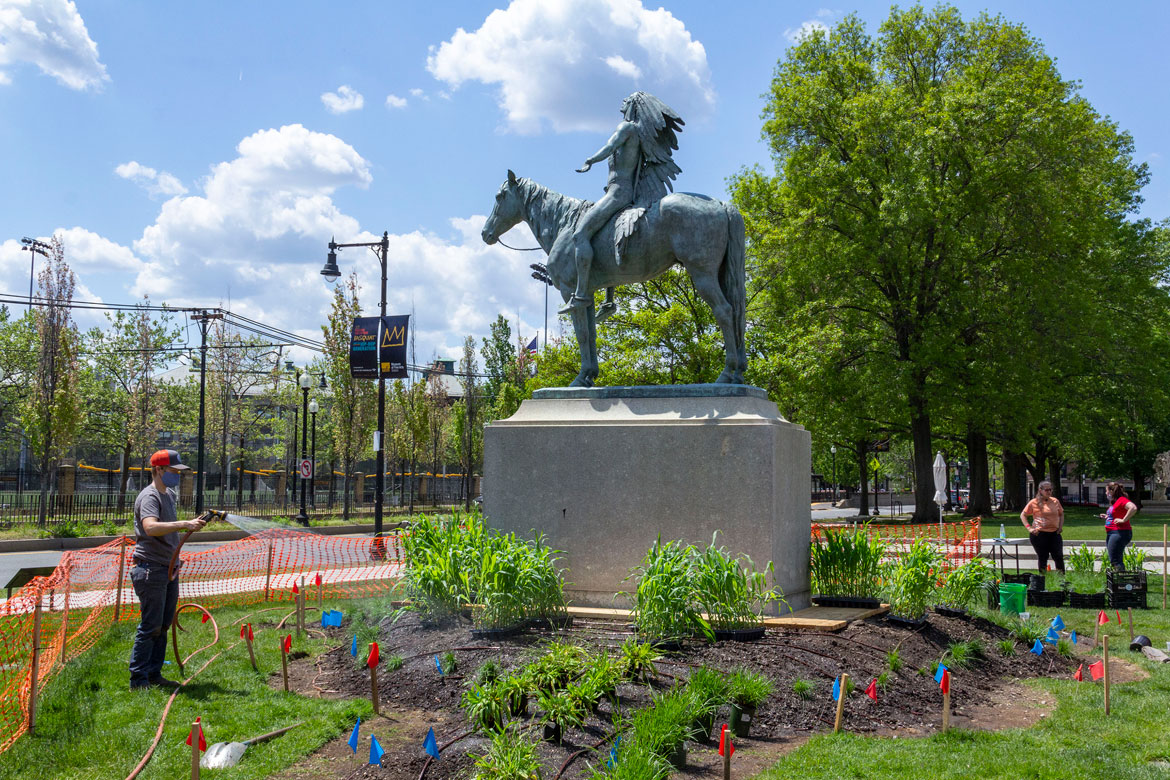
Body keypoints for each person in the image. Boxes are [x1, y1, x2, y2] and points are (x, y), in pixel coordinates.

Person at [559, 91, 684, 317]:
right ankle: (608, 302)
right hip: (624, 192)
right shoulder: (638, 132)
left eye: (626, 101)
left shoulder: (626, 128)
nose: (622, 105)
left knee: (580, 235)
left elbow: (609, 147)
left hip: (618, 193)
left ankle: (581, 295)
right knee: (604, 236)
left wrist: (590, 160)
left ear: (634, 105)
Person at [128, 449, 208, 690]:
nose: (176, 475)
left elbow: (166, 530)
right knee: (150, 626)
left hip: (168, 569)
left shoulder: (169, 494)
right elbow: (150, 527)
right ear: (158, 470)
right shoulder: (149, 497)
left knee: (163, 625)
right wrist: (184, 524)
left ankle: (154, 675)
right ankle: (138, 680)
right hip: (151, 570)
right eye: (173, 471)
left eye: (178, 472)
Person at [1020, 480, 1065, 574]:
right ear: (1040, 490)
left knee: (1058, 556)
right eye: (1046, 490)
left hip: (1054, 533)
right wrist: (1029, 528)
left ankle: (1061, 581)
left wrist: (1060, 527)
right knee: (1043, 557)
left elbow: (1061, 514)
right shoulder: (1034, 502)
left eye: (1050, 489)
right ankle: (1043, 580)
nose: (1049, 492)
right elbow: (1023, 515)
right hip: (1039, 534)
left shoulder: (1055, 501)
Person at [1099, 481, 1137, 570]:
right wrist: (1107, 517)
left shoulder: (1121, 500)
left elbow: (1133, 508)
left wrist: (1124, 520)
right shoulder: (1115, 502)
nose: (1106, 493)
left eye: (1106, 491)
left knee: (1115, 560)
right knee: (1115, 558)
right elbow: (1116, 515)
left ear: (1111, 491)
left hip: (1119, 532)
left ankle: (1121, 581)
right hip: (1112, 532)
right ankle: (1119, 581)